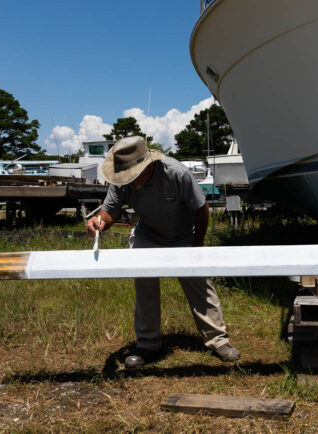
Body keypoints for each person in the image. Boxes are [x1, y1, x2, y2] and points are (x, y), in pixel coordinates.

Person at [86, 136, 240, 368]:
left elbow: (201, 208)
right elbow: (109, 211)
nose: (128, 181)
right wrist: (98, 221)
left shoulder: (177, 173)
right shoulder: (121, 181)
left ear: (149, 166)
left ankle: (218, 340)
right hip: (147, 234)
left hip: (183, 235)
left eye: (133, 175)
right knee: (145, 283)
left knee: (198, 282)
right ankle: (148, 345)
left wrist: (196, 246)